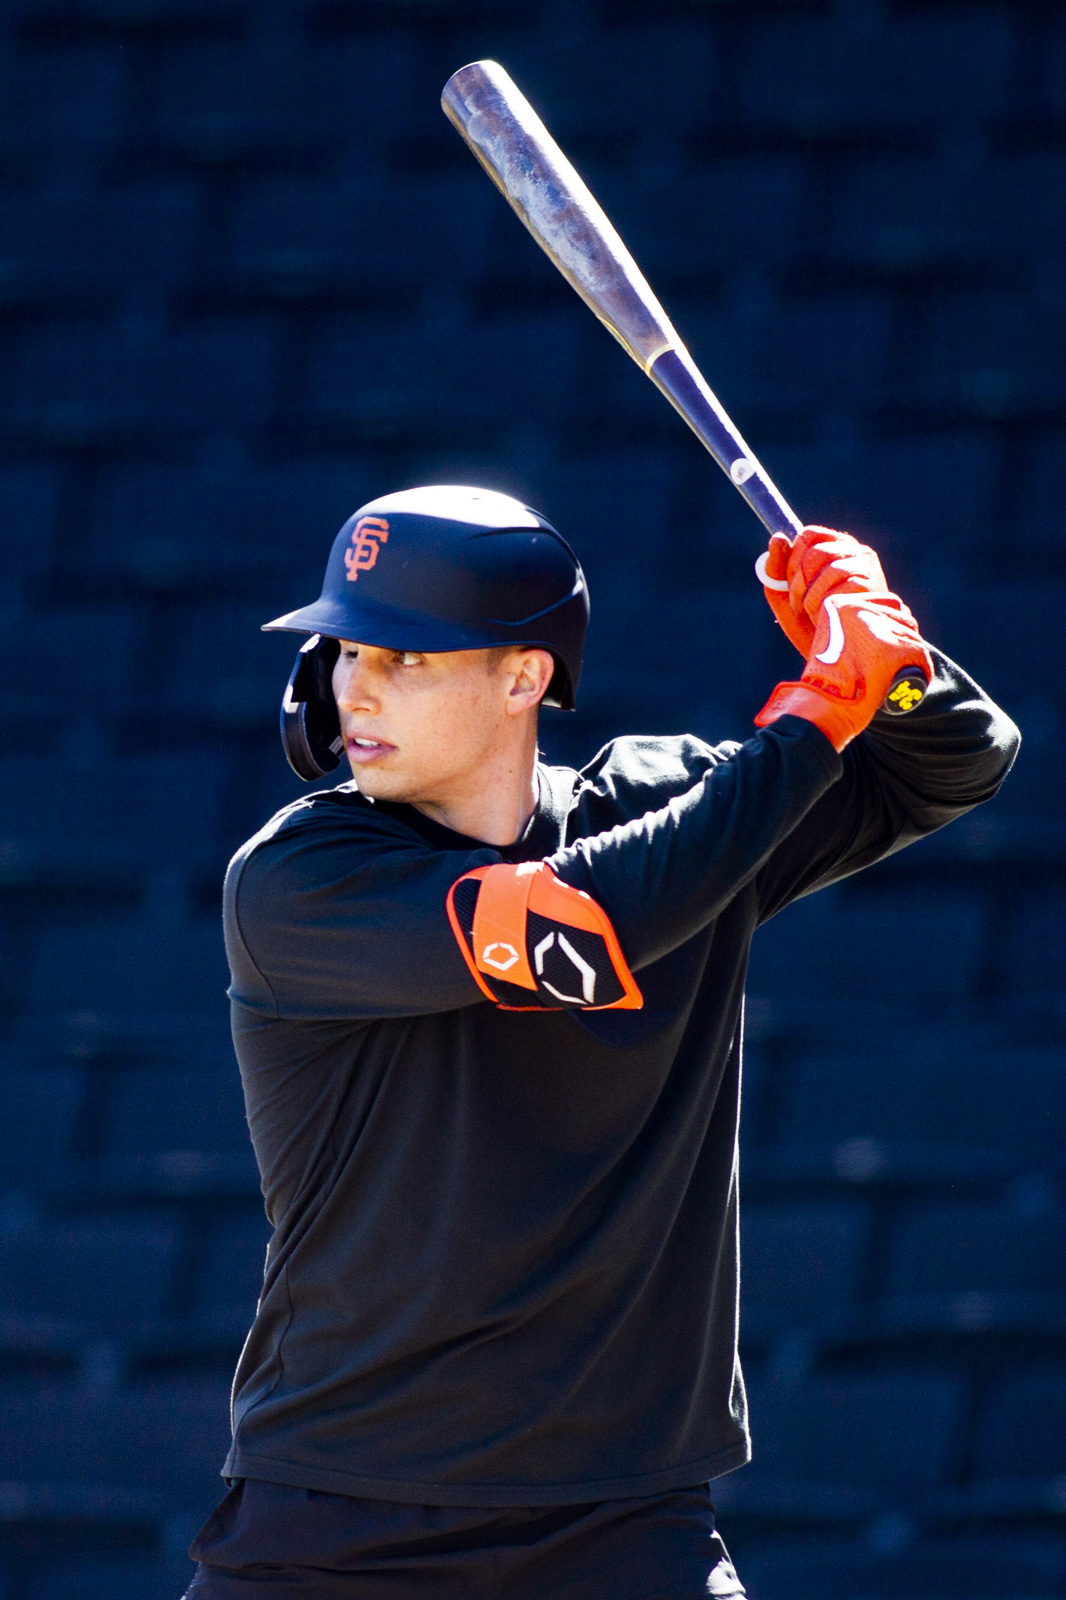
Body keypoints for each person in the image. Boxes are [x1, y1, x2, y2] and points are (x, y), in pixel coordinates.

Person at [185, 484, 1018, 1599]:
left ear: (523, 675)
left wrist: (877, 640)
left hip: (624, 1521)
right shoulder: (297, 878)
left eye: (407, 657)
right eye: (343, 650)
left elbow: (960, 757)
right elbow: (582, 919)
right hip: (340, 1518)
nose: (355, 688)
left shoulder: (673, 812)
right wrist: (819, 708)